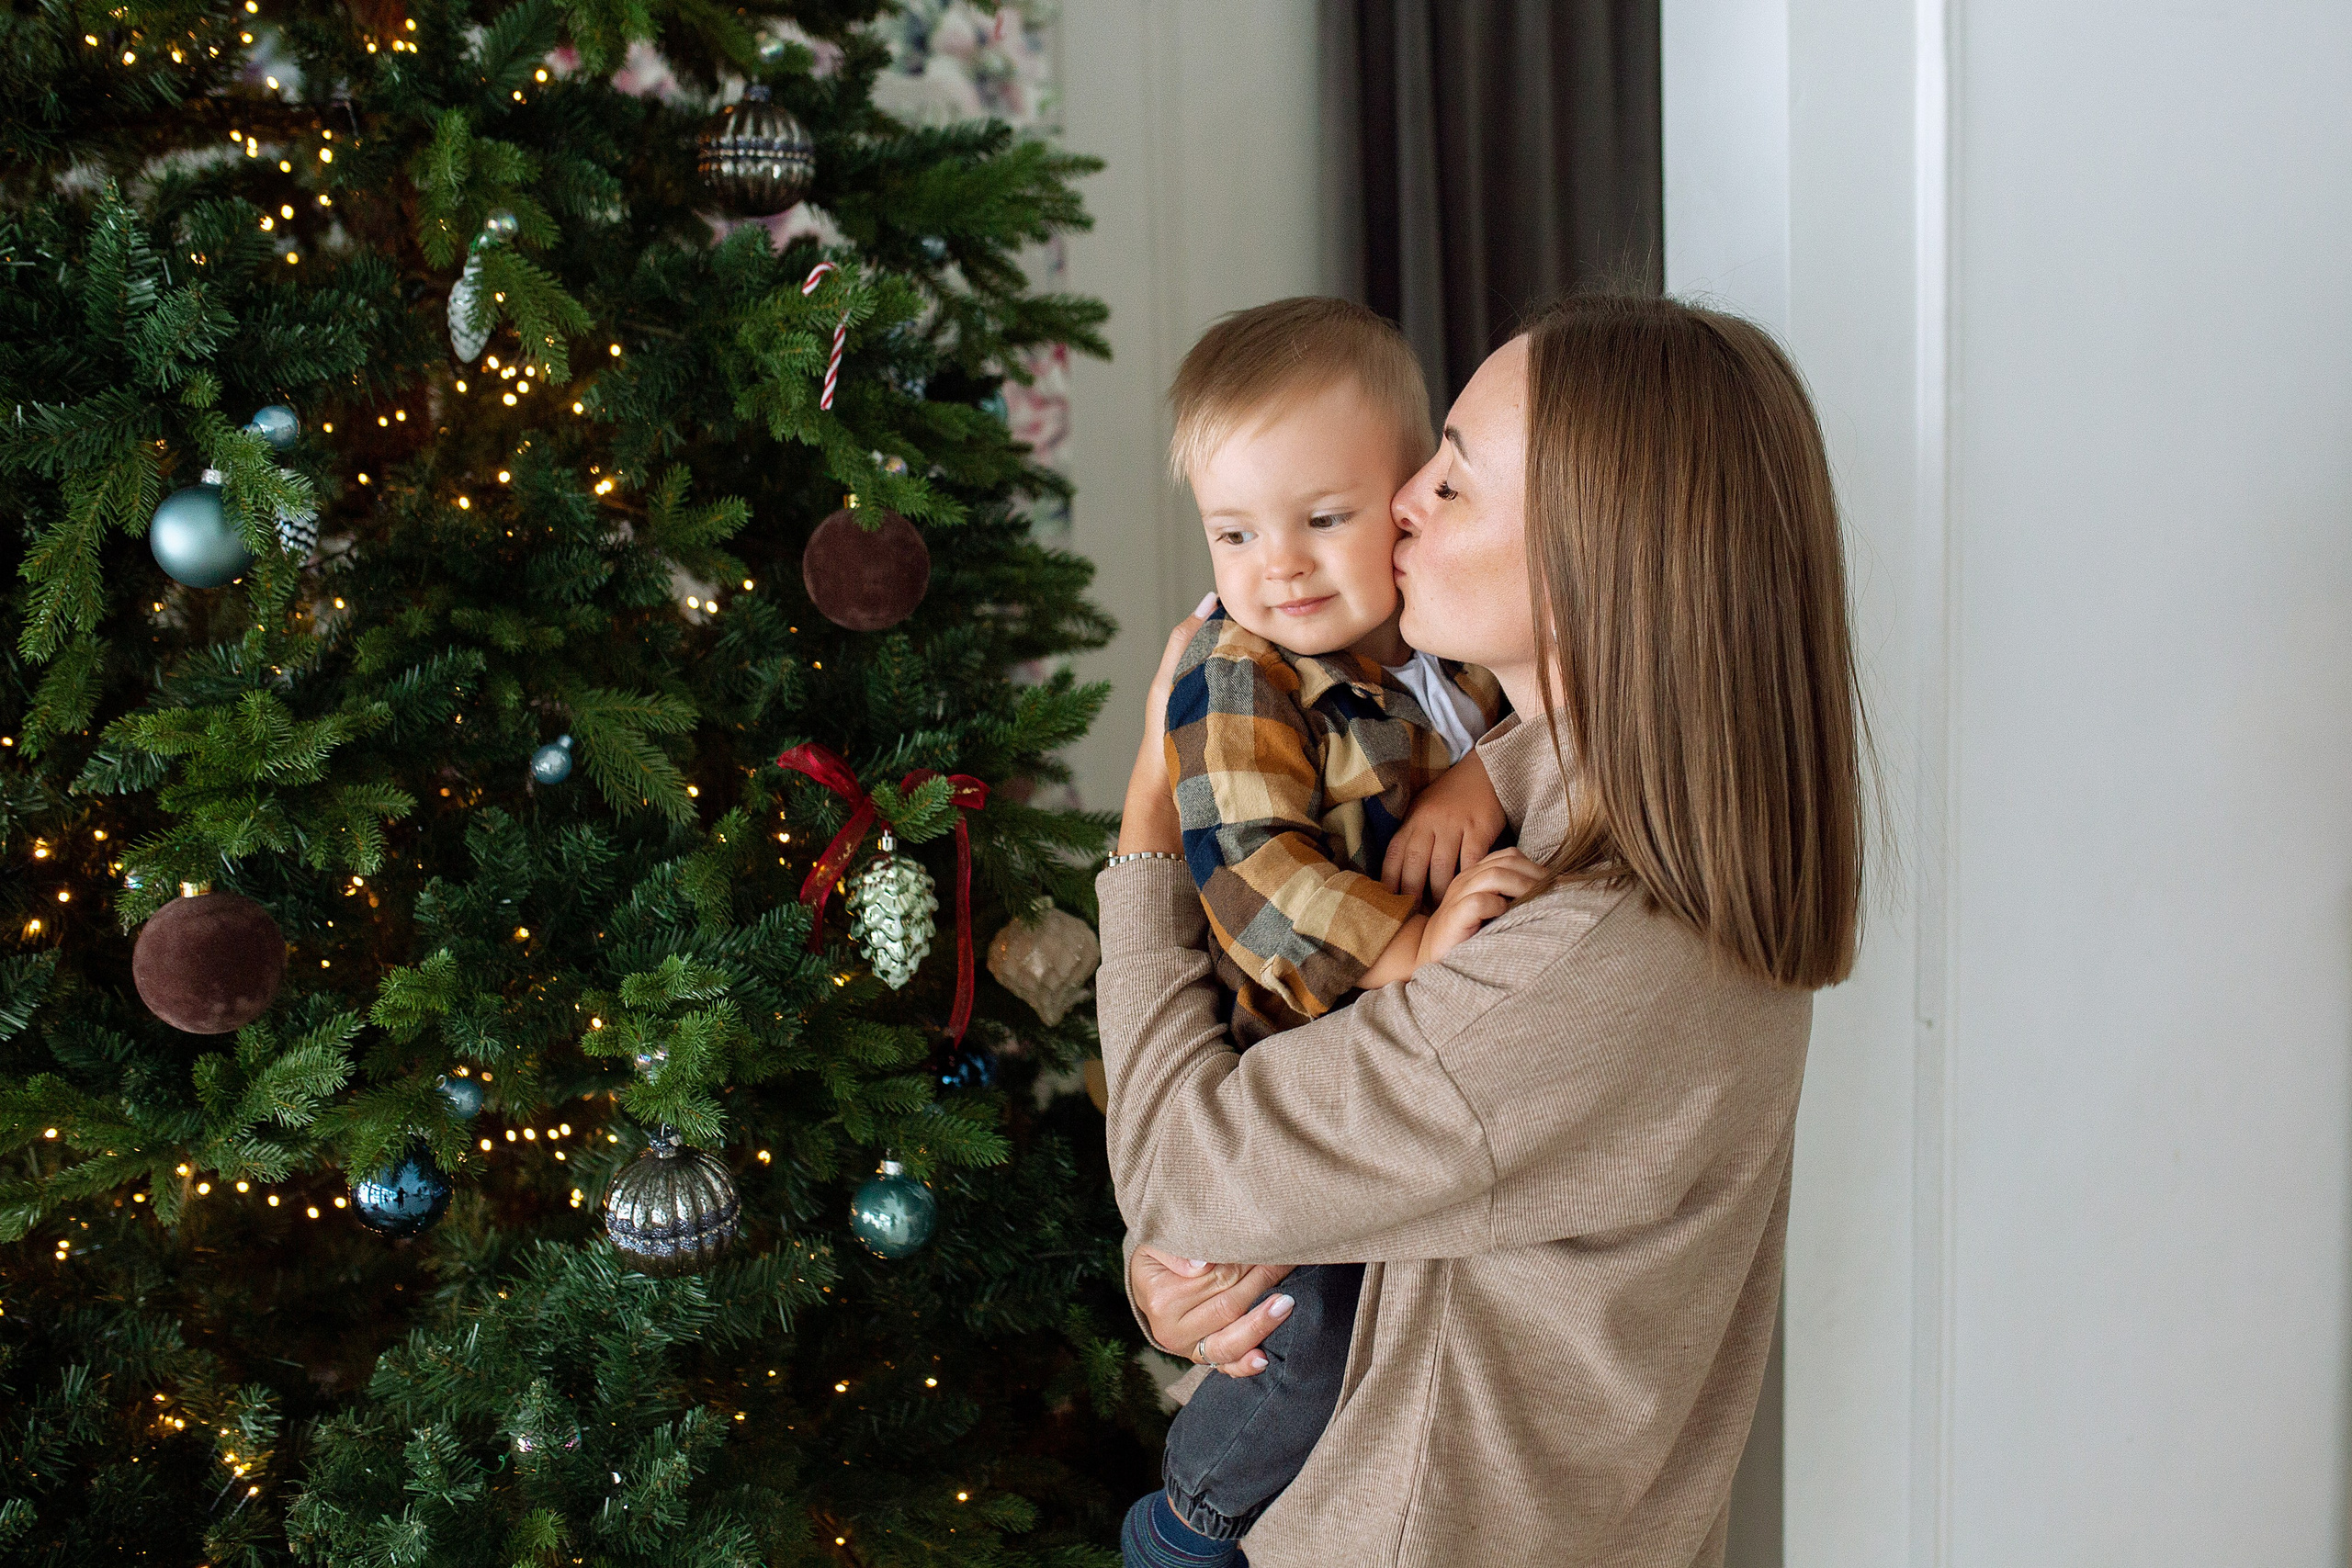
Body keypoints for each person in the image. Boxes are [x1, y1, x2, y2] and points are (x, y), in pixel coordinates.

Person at [1099, 293, 1866, 1567]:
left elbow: (1186, 1161)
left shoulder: (1582, 956)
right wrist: (1198, 1276)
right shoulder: (1529, 828)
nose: (1399, 498)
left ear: (1596, 559)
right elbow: (1350, 1185)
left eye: (1452, 483)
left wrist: (1140, 837)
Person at [1121, 298, 1507, 1566]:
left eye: (1322, 521)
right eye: (1235, 531)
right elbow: (1253, 871)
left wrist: (1482, 779)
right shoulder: (1240, 669)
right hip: (1290, 1060)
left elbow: (1552, 729)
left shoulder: (1443, 666)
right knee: (1300, 1339)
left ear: (1404, 501)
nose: (1276, 565)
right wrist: (1407, 952)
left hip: (1383, 1095)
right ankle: (1190, 1521)